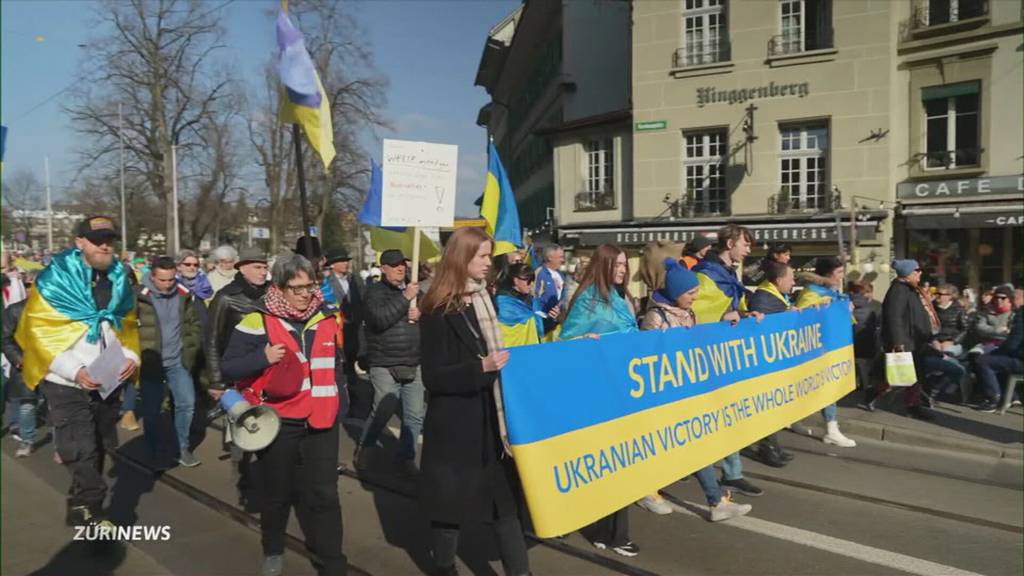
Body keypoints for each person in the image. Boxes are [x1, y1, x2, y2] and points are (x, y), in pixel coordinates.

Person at [220, 253, 347, 576]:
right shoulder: (257, 319)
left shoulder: (328, 316)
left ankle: (333, 561)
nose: (306, 294)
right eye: (297, 288)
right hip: (279, 421)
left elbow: (339, 363)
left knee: (324, 494)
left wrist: (341, 401)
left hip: (322, 419)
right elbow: (229, 365)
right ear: (278, 287)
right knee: (278, 492)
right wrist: (261, 357)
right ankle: (273, 549)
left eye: (310, 286)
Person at [15, 216, 141, 529]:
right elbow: (39, 332)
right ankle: (94, 516)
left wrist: (130, 357)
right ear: (80, 242)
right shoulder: (54, 278)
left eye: (109, 239)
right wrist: (75, 370)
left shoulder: (120, 277)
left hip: (107, 379)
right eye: (96, 239)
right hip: (66, 383)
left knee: (98, 445)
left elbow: (125, 326)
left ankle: (81, 502)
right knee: (80, 447)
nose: (105, 245)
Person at [418, 227, 531, 576]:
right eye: (482, 256)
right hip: (455, 428)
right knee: (449, 511)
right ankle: (443, 567)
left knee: (505, 507)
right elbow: (434, 377)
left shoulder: (485, 298)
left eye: (489, 255)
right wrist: (479, 367)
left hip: (491, 424)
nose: (489, 263)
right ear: (462, 258)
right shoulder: (438, 308)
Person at [637, 258, 754, 521]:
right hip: (664, 395)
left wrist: (731, 319)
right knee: (663, 447)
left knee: (696, 445)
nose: (695, 296)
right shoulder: (656, 316)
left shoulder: (688, 314)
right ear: (677, 293)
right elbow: (645, 356)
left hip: (685, 393)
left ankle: (716, 502)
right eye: (691, 293)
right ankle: (645, 490)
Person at [560, 244, 640, 557]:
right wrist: (580, 342)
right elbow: (565, 343)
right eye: (617, 264)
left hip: (624, 388)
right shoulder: (588, 300)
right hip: (597, 392)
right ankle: (610, 532)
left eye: (624, 265)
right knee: (612, 465)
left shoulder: (622, 298)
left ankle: (609, 530)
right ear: (603, 265)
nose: (622, 270)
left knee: (621, 464)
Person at [691, 224, 765, 497]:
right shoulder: (705, 274)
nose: (748, 249)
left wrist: (746, 315)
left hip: (725, 355)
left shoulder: (727, 274)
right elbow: (692, 312)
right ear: (729, 243)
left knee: (730, 416)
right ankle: (708, 471)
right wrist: (722, 318)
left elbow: (729, 309)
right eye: (745, 244)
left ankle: (732, 473)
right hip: (706, 357)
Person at [354, 249, 424, 476]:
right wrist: (405, 300)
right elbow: (379, 319)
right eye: (394, 265)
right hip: (384, 362)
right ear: (383, 268)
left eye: (402, 264)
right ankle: (366, 447)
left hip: (413, 360)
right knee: (383, 410)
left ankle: (406, 457)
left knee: (414, 415)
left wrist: (420, 313)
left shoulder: (414, 292)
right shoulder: (374, 292)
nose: (400, 269)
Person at [136, 256, 205, 467]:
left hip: (177, 361)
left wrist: (190, 348)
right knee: (152, 410)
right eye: (162, 280)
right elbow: (125, 328)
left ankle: (181, 447)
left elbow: (194, 324)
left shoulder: (184, 295)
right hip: (151, 362)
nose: (167, 285)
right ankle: (153, 450)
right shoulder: (137, 297)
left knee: (187, 403)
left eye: (171, 280)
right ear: (152, 276)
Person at [794, 256, 857, 448]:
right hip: (817, 351)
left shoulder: (834, 292)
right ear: (829, 274)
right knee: (827, 388)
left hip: (832, 347)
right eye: (839, 272)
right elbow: (801, 318)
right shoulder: (811, 292)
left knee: (814, 388)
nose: (842, 276)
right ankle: (831, 429)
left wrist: (847, 309)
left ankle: (795, 420)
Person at [865, 259, 938, 420]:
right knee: (900, 375)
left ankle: (913, 403)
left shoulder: (910, 289)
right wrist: (898, 342)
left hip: (915, 340)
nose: (919, 273)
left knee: (910, 375)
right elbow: (894, 317)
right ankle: (909, 405)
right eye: (916, 271)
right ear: (907, 274)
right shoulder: (898, 290)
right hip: (905, 341)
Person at [746, 259, 801, 465]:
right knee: (765, 409)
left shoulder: (776, 296)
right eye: (791, 278)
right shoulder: (763, 298)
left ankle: (773, 445)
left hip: (774, 362)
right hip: (764, 364)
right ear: (779, 280)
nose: (794, 281)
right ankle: (767, 448)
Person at [206, 247, 270, 396]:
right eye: (257, 267)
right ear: (242, 268)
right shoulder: (226, 297)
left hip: (268, 366)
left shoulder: (273, 293)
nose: (263, 272)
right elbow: (212, 340)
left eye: (265, 267)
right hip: (237, 370)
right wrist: (216, 380)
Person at [974, 287, 1024, 412]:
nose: (1013, 301)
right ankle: (1010, 398)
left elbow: (1014, 342)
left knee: (984, 361)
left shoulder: (1021, 315)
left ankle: (993, 399)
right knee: (999, 361)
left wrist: (998, 352)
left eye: (1014, 298)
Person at [3, 298, 37, 457]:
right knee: (27, 403)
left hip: (55, 365)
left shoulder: (61, 306)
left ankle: (62, 446)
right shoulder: (16, 310)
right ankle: (27, 440)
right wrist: (18, 359)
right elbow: (5, 338)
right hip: (26, 364)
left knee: (56, 407)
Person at [495, 263, 553, 347]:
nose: (532, 284)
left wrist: (552, 318)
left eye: (533, 280)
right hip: (512, 351)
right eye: (528, 281)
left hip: (531, 348)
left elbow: (539, 324)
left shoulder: (531, 300)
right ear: (516, 280)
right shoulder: (502, 302)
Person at [849, 281, 882, 393]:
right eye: (865, 292)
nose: (867, 295)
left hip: (868, 338)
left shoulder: (877, 305)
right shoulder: (852, 305)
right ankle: (864, 384)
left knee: (864, 363)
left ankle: (864, 384)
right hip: (859, 337)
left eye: (869, 292)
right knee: (862, 363)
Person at [970, 285, 1014, 353]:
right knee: (973, 354)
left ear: (1009, 299)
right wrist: (997, 330)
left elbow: (1011, 333)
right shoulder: (987, 312)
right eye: (996, 297)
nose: (999, 300)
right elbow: (980, 328)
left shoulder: (1014, 314)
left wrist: (989, 330)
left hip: (1005, 346)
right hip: (985, 344)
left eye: (1003, 298)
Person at [534, 244, 566, 335]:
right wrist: (543, 316)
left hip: (556, 323)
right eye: (560, 257)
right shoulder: (540, 273)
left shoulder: (560, 274)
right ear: (550, 257)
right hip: (544, 324)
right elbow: (534, 297)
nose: (563, 260)